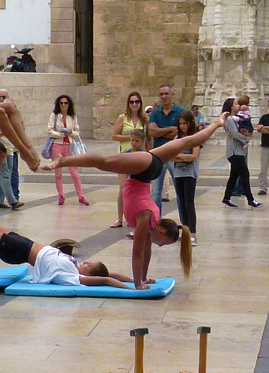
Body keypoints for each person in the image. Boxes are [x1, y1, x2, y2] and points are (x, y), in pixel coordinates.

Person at [42, 116, 227, 288]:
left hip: (148, 169)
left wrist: (142, 279)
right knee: (104, 162)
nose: (159, 245)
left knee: (189, 141)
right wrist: (137, 284)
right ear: (161, 231)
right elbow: (137, 253)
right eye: (163, 243)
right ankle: (63, 160)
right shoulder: (146, 218)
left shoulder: (149, 223)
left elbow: (145, 253)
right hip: (144, 169)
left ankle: (217, 123)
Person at [0, 221, 137, 289]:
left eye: (88, 265)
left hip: (18, 250)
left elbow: (106, 280)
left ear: (88, 275)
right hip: (24, 242)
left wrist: (131, 291)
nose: (85, 261)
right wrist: (137, 280)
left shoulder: (74, 276)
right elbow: (111, 274)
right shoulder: (74, 265)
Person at [110, 91, 148, 228]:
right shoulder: (123, 118)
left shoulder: (144, 119)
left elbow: (148, 137)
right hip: (124, 154)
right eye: (131, 102)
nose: (134, 104)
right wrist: (131, 138)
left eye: (137, 102)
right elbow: (114, 136)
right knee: (123, 187)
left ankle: (135, 217)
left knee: (137, 187)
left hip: (139, 155)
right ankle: (120, 218)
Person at [148, 84, 186, 211]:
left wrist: (160, 130)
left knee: (180, 190)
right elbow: (152, 132)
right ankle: (155, 221)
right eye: (161, 94)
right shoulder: (155, 113)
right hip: (158, 156)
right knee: (156, 192)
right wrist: (170, 129)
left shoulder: (181, 112)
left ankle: (184, 221)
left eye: (166, 94)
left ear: (172, 95)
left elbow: (180, 132)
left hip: (175, 155)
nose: (164, 97)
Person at [221, 97, 262, 209]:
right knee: (245, 173)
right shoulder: (229, 119)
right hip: (234, 152)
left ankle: (226, 198)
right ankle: (250, 199)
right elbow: (235, 134)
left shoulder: (237, 119)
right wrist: (247, 138)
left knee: (234, 176)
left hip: (239, 151)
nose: (238, 105)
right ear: (231, 106)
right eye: (235, 104)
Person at [47, 94, 87, 205]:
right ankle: (61, 196)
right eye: (61, 103)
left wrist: (70, 132)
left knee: (74, 172)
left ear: (69, 104)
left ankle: (81, 196)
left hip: (69, 145)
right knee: (58, 173)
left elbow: (77, 132)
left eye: (66, 103)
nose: (63, 105)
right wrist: (61, 135)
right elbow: (49, 131)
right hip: (57, 145)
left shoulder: (72, 117)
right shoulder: (54, 116)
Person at [0, 89, 23, 210]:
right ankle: (13, 201)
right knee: (5, 177)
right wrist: (5, 133)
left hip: (10, 150)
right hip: (0, 151)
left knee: (6, 176)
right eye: (0, 97)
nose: (1, 100)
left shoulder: (13, 118)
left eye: (4, 97)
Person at [173, 111, 201, 246]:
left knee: (189, 202)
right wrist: (180, 157)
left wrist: (180, 157)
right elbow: (172, 155)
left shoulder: (195, 138)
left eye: (185, 123)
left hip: (190, 173)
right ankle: (185, 231)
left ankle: (193, 233)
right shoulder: (177, 138)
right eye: (180, 124)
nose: (183, 126)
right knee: (181, 202)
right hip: (178, 173)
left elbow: (193, 156)